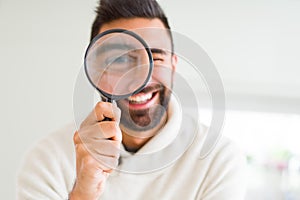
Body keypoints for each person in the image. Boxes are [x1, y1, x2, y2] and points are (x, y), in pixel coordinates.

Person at [17, 0, 246, 199]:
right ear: (96, 70)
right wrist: (83, 194)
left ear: (173, 66)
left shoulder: (219, 159)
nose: (139, 78)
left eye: (155, 57)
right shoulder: (47, 160)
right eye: (119, 60)